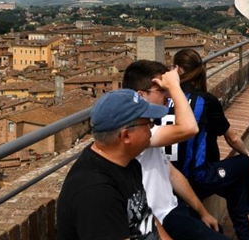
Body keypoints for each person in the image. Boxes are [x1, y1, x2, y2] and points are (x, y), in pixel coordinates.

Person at [170, 49, 249, 240]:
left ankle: (245, 236)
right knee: (243, 163)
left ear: (176, 70)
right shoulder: (205, 100)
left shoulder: (162, 99)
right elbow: (232, 137)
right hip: (196, 178)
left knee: (235, 186)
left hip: (171, 177)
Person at [122, 60, 229, 240]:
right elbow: (189, 128)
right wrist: (174, 86)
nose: (168, 96)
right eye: (161, 90)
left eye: (167, 89)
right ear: (141, 95)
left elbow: (172, 174)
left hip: (174, 211)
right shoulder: (137, 135)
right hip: (157, 221)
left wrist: (203, 212)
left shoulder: (149, 127)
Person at [57, 89, 171, 240]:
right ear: (126, 136)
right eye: (148, 122)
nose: (152, 127)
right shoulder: (96, 194)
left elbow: (147, 219)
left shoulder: (129, 164)